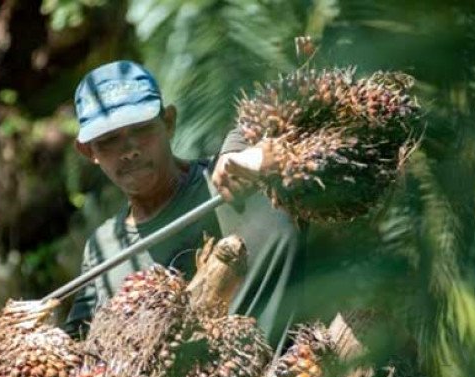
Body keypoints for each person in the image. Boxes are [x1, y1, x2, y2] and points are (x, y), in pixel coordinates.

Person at [64, 60, 306, 350]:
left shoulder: (232, 183)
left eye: (141, 130)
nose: (130, 151)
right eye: (109, 140)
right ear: (88, 150)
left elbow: (298, 97)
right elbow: (74, 352)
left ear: (168, 123)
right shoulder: (101, 250)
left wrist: (239, 147)